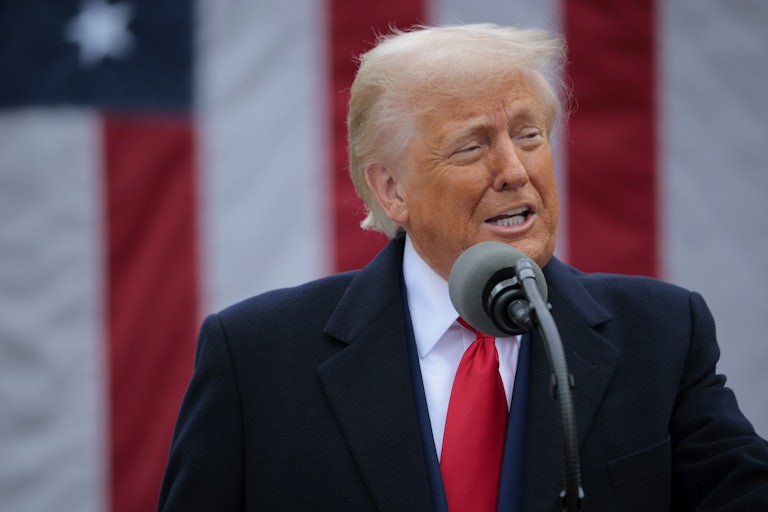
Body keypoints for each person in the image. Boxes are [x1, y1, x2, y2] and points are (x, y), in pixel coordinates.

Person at [158, 24, 768, 511]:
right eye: (472, 146)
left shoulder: (661, 335)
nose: (514, 171)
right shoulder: (256, 358)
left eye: (529, 136)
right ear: (392, 189)